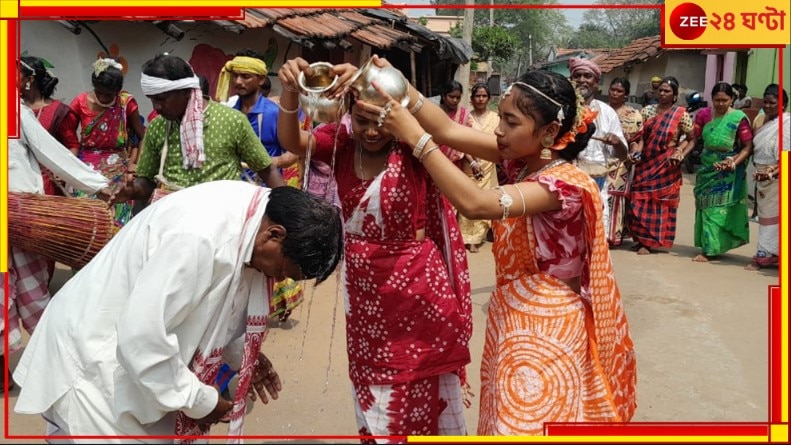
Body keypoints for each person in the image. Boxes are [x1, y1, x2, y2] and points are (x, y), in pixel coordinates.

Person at [356, 60, 636, 435]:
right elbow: (448, 128)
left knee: (527, 425)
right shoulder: (525, 158)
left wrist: (417, 140)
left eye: (511, 122)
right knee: (507, 420)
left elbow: (477, 203)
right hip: (518, 321)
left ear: (550, 131)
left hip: (547, 330)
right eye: (500, 119)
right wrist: (403, 89)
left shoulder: (562, 185)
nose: (500, 131)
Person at [13, 181, 343, 440]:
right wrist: (202, 402)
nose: (277, 279)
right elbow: (141, 339)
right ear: (275, 235)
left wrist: (242, 354)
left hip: (132, 354)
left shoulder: (255, 214)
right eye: (284, 271)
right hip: (96, 354)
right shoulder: (199, 238)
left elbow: (218, 302)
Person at [277, 57, 473, 439]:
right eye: (361, 120)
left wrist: (407, 107)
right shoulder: (341, 142)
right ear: (349, 116)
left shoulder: (412, 146)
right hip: (365, 294)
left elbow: (446, 135)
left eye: (380, 120)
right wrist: (289, 90)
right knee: (376, 387)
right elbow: (290, 141)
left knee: (422, 384)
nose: (370, 131)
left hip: (418, 291)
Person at [2, 97, 110, 392]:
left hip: (26, 218)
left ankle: (54, 364)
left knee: (34, 293)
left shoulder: (13, 111)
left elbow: (51, 153)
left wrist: (99, 185)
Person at [111, 54, 285, 207]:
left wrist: (288, 209)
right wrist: (133, 190)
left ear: (187, 91)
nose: (156, 107)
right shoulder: (158, 126)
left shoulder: (232, 120)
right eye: (152, 100)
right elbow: (147, 181)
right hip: (173, 218)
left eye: (161, 99)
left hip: (222, 218)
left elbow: (267, 170)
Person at [216, 49, 305, 322]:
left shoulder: (275, 112)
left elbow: (294, 151)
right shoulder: (227, 114)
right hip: (238, 192)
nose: (239, 82)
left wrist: (270, 162)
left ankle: (276, 302)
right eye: (235, 76)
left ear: (260, 80)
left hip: (269, 186)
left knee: (272, 245)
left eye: (245, 76)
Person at [70, 57, 146, 226]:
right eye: (99, 93)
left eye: (109, 95)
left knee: (116, 221)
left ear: (118, 91)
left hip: (118, 170)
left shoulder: (126, 103)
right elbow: (69, 137)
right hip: (86, 171)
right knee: (86, 220)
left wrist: (136, 164)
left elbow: (143, 135)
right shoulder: (79, 102)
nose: (103, 98)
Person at [626, 76, 695, 255]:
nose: (663, 94)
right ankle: (641, 239)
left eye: (667, 91)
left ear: (674, 95)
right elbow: (640, 138)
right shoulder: (647, 111)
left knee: (660, 203)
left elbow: (691, 139)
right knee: (638, 200)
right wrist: (636, 151)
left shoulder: (681, 114)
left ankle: (650, 242)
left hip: (666, 164)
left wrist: (680, 152)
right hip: (646, 162)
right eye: (661, 90)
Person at [691, 82, 753, 262]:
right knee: (705, 205)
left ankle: (710, 249)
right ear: (712, 99)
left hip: (729, 170)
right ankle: (707, 244)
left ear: (732, 99)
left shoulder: (738, 118)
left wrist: (732, 162)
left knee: (717, 209)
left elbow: (747, 146)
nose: (720, 104)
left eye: (724, 100)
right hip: (707, 169)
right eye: (717, 100)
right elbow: (694, 138)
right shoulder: (703, 115)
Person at [568, 57, 628, 235]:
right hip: (566, 181)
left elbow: (623, 155)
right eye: (577, 75)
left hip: (596, 183)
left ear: (596, 82)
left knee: (594, 234)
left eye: (587, 76)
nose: (582, 80)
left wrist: (617, 142)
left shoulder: (607, 112)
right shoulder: (562, 108)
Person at [20, 56, 80, 196]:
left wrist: (64, 170)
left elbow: (72, 145)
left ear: (29, 80)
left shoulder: (58, 111)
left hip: (47, 183)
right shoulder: (12, 108)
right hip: (18, 179)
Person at [745, 84, 786, 270]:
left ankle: (765, 253)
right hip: (761, 177)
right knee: (765, 215)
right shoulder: (762, 122)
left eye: (772, 103)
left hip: (777, 176)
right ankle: (770, 253)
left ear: (783, 105)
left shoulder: (787, 124)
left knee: (777, 216)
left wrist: (773, 171)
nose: (768, 106)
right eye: (766, 102)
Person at [462, 82, 499, 253]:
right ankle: (468, 238)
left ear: (489, 98)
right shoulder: (466, 118)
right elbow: (461, 142)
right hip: (469, 163)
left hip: (488, 164)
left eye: (484, 96)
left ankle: (481, 234)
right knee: (468, 198)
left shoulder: (495, 118)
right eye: (478, 96)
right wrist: (472, 161)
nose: (481, 99)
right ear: (472, 99)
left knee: (486, 198)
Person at [605, 77, 643, 247]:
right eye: (613, 89)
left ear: (626, 94)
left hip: (620, 163)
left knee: (614, 196)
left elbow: (637, 141)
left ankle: (613, 235)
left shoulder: (633, 116)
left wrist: (635, 151)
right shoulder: (599, 111)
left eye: (619, 91)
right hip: (598, 160)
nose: (615, 93)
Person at [437, 80, 473, 167]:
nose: (455, 100)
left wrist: (472, 162)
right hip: (435, 159)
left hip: (455, 163)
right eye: (451, 97)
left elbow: (465, 142)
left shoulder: (464, 116)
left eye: (458, 97)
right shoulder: (435, 112)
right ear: (443, 95)